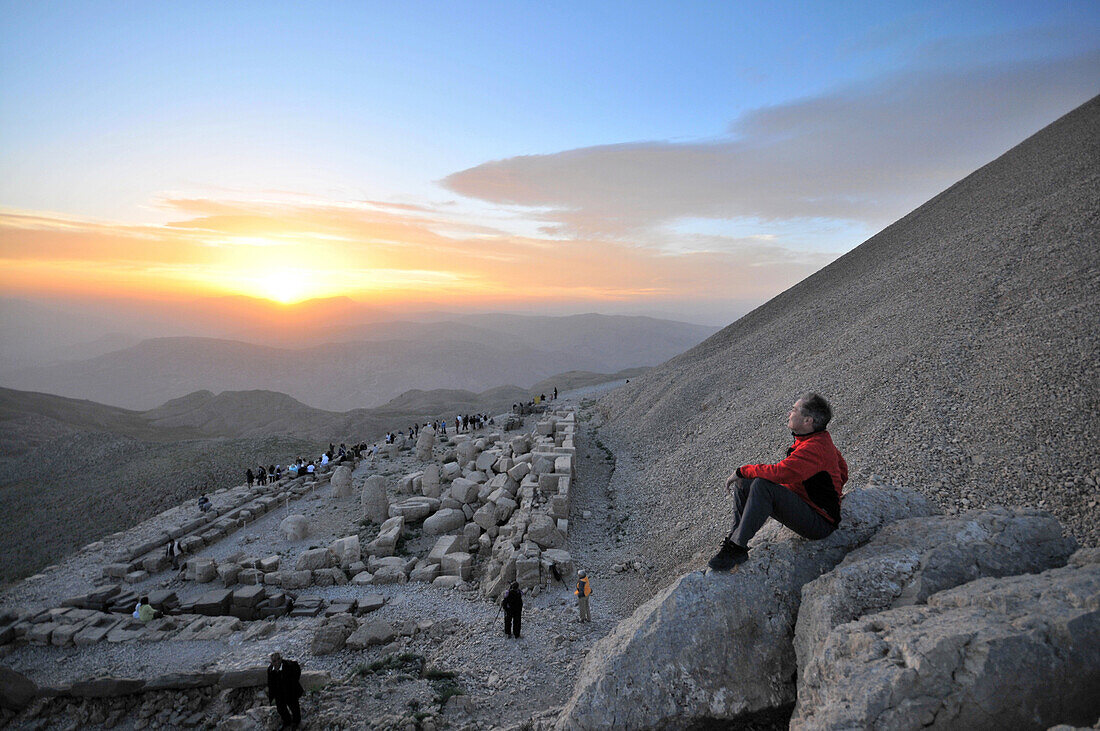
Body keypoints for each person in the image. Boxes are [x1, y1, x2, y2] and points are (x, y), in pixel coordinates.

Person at [708, 392, 849, 572]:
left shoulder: (814, 448)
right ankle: (734, 539)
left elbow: (779, 473)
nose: (789, 414)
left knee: (761, 485)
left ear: (808, 421)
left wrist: (740, 471)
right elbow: (842, 470)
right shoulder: (819, 439)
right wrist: (834, 494)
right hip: (808, 507)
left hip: (820, 524)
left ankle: (737, 548)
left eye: (794, 410)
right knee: (745, 483)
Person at [267, 652, 303, 729]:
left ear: (281, 658)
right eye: (274, 661)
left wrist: (294, 683)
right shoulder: (270, 670)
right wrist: (271, 697)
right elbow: (270, 684)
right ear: (271, 662)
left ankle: (296, 722)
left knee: (294, 707)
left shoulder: (290, 665)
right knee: (281, 709)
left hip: (290, 691)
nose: (277, 662)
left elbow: (297, 672)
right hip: (279, 693)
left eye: (278, 659)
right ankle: (287, 722)